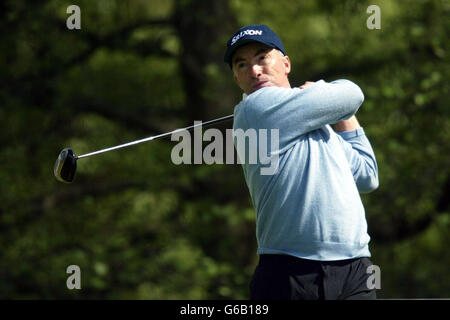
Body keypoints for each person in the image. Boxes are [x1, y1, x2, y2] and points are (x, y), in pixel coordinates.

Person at [224, 24, 379, 300]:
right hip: (291, 272)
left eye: (262, 58)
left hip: (356, 269)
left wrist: (334, 110)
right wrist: (323, 92)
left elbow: (368, 176)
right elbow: (353, 93)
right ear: (237, 79)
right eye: (243, 65)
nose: (255, 71)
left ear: (286, 63)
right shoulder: (254, 110)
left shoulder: (319, 127)